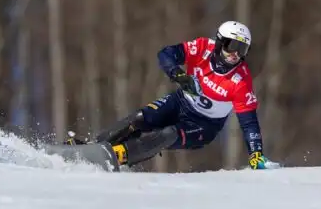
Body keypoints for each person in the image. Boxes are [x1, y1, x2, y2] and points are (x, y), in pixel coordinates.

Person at [66, 21, 279, 170]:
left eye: (243, 50)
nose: (236, 55)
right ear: (220, 42)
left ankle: (118, 156)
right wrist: (176, 73)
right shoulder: (203, 47)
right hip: (180, 103)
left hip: (205, 125)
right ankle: (93, 146)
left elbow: (249, 123)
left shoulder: (241, 81)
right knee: (140, 118)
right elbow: (166, 54)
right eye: (233, 46)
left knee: (168, 134)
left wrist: (256, 154)